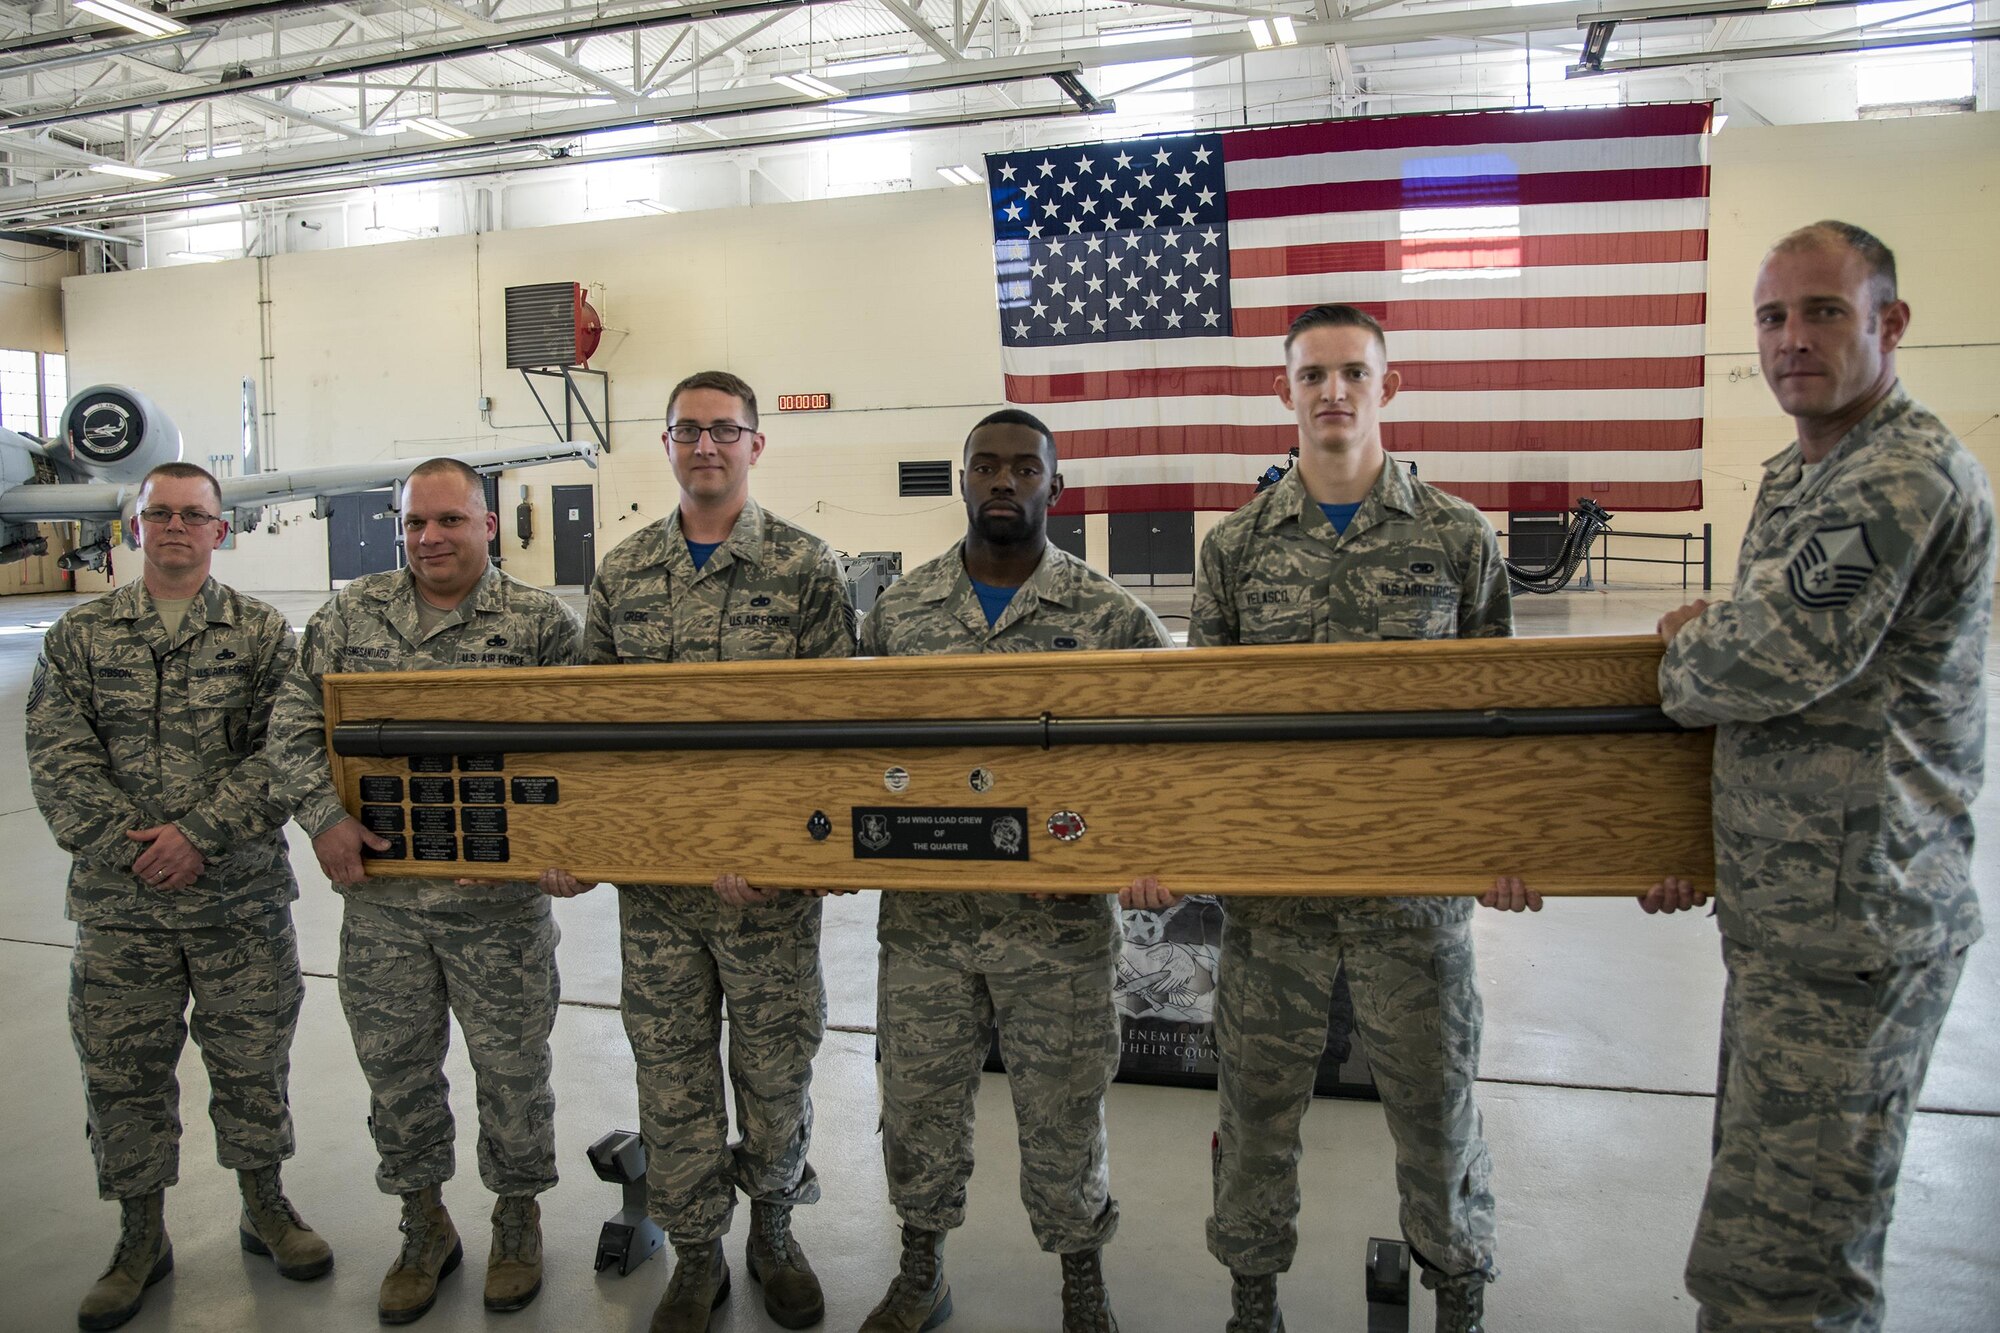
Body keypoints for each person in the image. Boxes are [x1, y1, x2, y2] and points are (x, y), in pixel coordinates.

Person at [1122, 303, 1534, 1333]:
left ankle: (1458, 1298)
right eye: (1312, 374)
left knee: (1438, 1113)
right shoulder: (1235, 547)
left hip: (1414, 899)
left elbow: (1503, 720)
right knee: (1256, 1113)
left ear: (1388, 386)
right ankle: (1252, 1302)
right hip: (1276, 901)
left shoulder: (1456, 535)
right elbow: (1205, 726)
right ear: (1284, 392)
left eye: (1353, 371)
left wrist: (1508, 844)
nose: (1333, 392)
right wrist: (1174, 844)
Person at [1647, 221, 1992, 1331]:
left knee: (1791, 1271)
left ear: (1890, 324)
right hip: (1794, 918)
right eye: (1772, 316)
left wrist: (1688, 647)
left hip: (1856, 930)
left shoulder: (1897, 475)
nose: (1790, 338)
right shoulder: (1809, 472)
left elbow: (1761, 657)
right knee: (1764, 1228)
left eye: (1823, 312)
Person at [537, 370, 855, 1333]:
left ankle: (774, 1231)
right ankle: (697, 1252)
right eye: (688, 430)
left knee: (775, 1074)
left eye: (724, 429)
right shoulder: (624, 570)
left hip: (768, 892)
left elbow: (832, 730)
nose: (705, 445)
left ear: (756, 443)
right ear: (667, 444)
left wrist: (782, 856)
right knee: (672, 1078)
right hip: (659, 894)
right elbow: (594, 734)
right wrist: (580, 845)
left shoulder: (805, 567)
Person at [856, 407, 1172, 1333]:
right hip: (927, 923)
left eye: (1024, 468)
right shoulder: (900, 616)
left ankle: (1082, 1280)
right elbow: (854, 758)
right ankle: (920, 1269)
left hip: (1058, 929)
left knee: (1065, 1114)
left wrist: (1126, 857)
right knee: (917, 1106)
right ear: (963, 481)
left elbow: (1165, 760)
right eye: (986, 466)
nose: (1004, 480)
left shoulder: (1112, 618)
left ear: (1055, 487)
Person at [271, 458, 581, 1324]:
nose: (429, 537)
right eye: (414, 522)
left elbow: (583, 749)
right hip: (383, 904)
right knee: (397, 1074)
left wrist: (559, 850)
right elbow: (292, 723)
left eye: (448, 520)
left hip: (499, 912)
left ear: (489, 524)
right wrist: (322, 818)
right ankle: (423, 1225)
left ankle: (516, 1220)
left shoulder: (540, 625)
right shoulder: (348, 616)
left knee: (513, 1072)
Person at [27, 461, 331, 1332]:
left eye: (193, 515)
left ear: (219, 530)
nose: (174, 527)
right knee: (122, 1071)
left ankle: (265, 1205)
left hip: (237, 899)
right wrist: (140, 847)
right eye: (158, 512)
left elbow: (286, 752)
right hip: (122, 907)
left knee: (252, 1060)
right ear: (133, 527)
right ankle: (138, 1235)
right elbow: (58, 758)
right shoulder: (80, 636)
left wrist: (197, 835)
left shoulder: (262, 633)